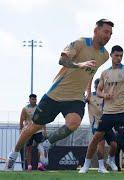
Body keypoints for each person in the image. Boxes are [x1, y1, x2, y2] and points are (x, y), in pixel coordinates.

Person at [5, 18, 113, 171]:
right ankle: (13, 154)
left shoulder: (105, 55)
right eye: (106, 32)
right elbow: (62, 60)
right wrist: (79, 64)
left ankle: (47, 143)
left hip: (75, 97)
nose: (108, 36)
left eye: (110, 34)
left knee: (74, 123)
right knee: (31, 128)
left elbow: (90, 74)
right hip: (55, 94)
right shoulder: (81, 43)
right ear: (96, 31)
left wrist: (88, 93)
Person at [79, 45, 124, 173]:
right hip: (108, 113)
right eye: (116, 55)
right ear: (111, 55)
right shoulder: (105, 73)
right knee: (96, 139)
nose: (119, 58)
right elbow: (99, 91)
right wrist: (105, 95)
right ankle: (86, 165)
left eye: (121, 56)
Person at [87, 78, 118, 172]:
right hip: (96, 125)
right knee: (101, 144)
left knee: (114, 145)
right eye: (96, 86)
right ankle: (101, 166)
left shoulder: (106, 97)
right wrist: (90, 78)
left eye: (100, 86)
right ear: (95, 87)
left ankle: (110, 160)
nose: (98, 88)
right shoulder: (90, 96)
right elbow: (86, 94)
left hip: (107, 124)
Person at [19, 94, 47, 171]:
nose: (34, 101)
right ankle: (29, 166)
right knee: (29, 149)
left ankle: (39, 164)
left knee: (40, 148)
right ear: (29, 100)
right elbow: (21, 120)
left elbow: (43, 119)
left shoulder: (39, 108)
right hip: (28, 131)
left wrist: (44, 130)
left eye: (35, 99)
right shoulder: (25, 109)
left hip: (38, 130)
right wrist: (21, 130)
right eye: (33, 99)